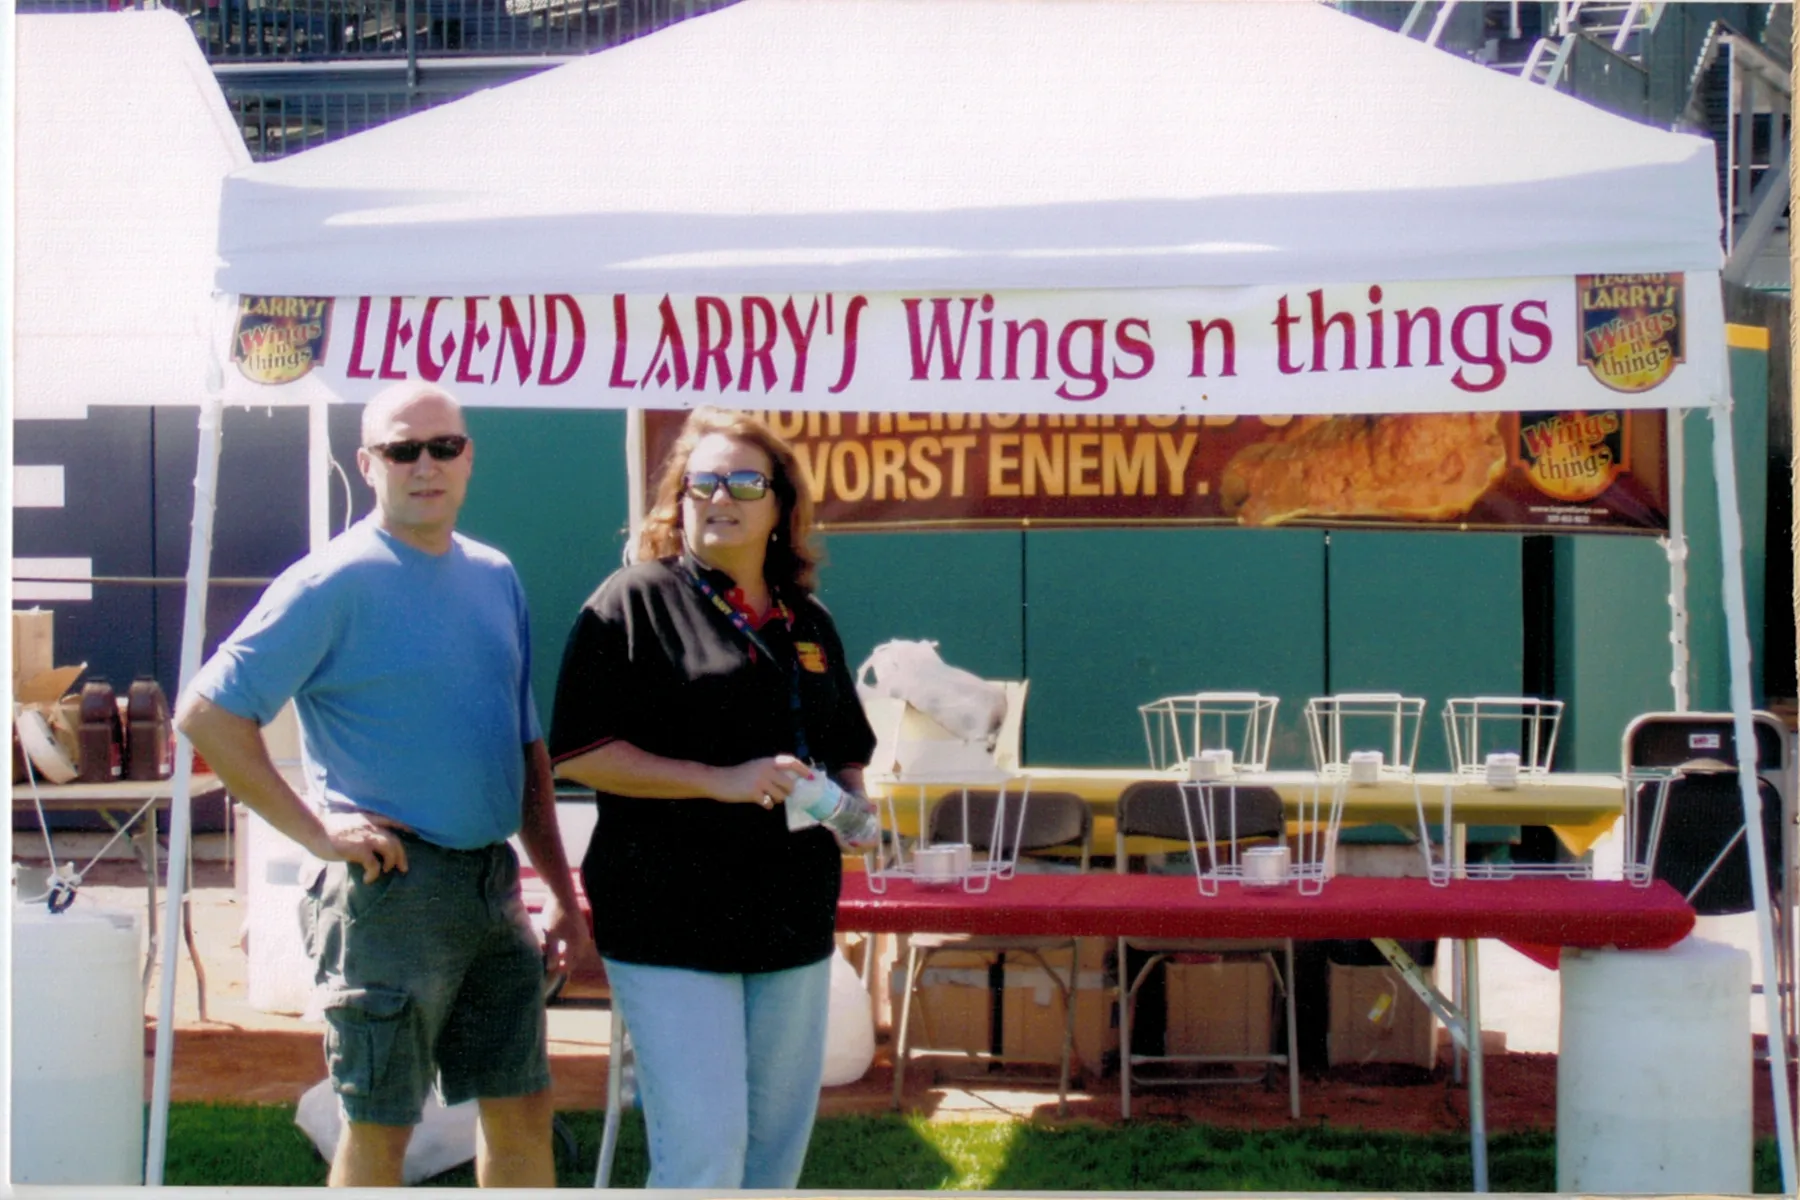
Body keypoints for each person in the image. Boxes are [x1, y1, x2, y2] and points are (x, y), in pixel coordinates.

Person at [175, 382, 593, 1188]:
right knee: (379, 1128)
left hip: (491, 884)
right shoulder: (331, 581)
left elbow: (525, 749)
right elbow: (208, 715)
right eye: (403, 450)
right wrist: (317, 834)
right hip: (390, 893)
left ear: (468, 457)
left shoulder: (495, 575)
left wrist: (562, 898)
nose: (425, 466)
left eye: (442, 447)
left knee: (521, 1109)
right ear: (368, 465)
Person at [548, 407, 878, 1190]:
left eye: (743, 481)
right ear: (679, 498)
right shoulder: (631, 601)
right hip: (668, 914)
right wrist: (718, 782)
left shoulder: (808, 618)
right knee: (704, 1149)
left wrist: (853, 811)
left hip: (789, 912)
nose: (720, 496)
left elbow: (845, 748)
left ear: (780, 504)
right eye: (702, 481)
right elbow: (582, 752)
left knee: (772, 1150)